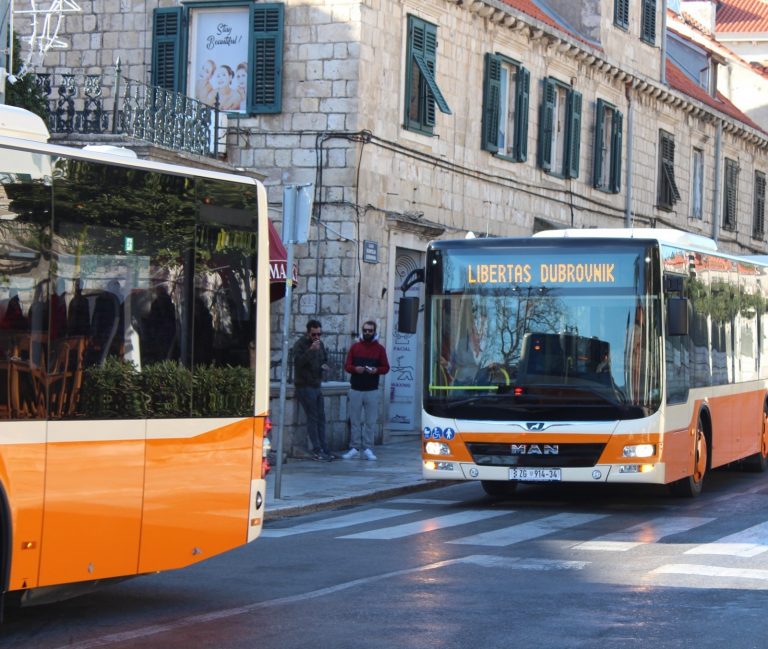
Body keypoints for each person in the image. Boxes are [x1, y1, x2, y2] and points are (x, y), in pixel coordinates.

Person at [342, 320, 390, 461]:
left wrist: (376, 370)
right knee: (355, 421)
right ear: (362, 331)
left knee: (370, 421)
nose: (367, 332)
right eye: (365, 330)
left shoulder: (380, 349)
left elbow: (386, 367)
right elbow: (347, 366)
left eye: (370, 330)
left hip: (372, 390)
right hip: (356, 388)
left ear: (374, 332)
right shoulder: (355, 347)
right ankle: (355, 447)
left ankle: (368, 448)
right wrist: (355, 369)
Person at [293, 319, 333, 461]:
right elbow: (298, 363)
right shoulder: (300, 345)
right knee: (313, 417)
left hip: (316, 385)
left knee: (321, 417)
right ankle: (316, 449)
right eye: (314, 334)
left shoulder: (320, 344)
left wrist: (324, 366)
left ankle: (324, 447)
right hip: (304, 386)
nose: (317, 337)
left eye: (319, 334)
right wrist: (310, 351)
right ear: (308, 332)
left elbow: (324, 359)